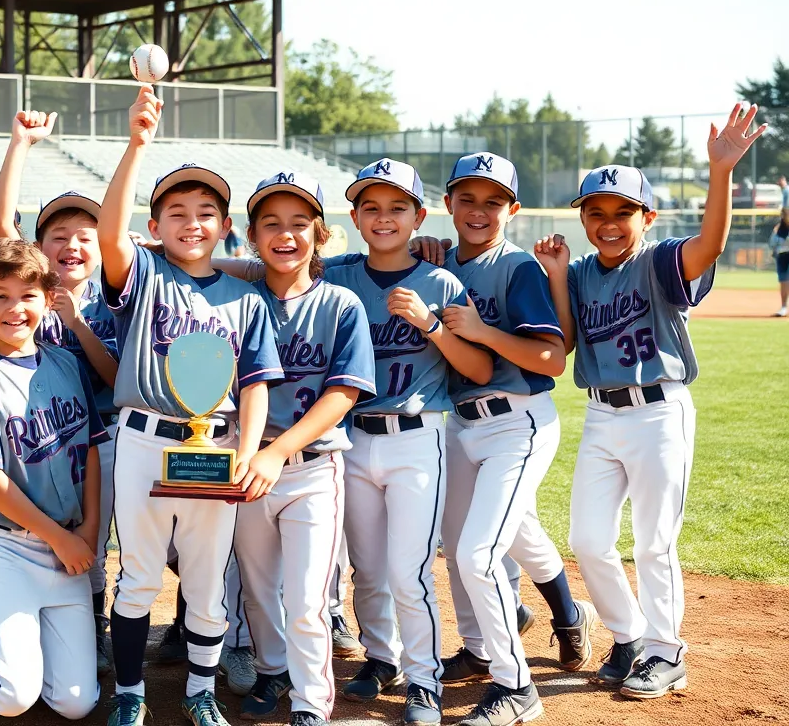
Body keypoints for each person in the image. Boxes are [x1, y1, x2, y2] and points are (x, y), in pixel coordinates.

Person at [538, 105, 765, 700]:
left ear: (647, 216)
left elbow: (710, 244)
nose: (609, 223)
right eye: (596, 213)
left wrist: (720, 173)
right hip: (601, 414)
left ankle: (667, 652)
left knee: (653, 542)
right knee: (588, 541)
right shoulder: (579, 273)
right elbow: (565, 341)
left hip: (660, 412)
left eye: (623, 212)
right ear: (582, 218)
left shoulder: (659, 260)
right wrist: (557, 276)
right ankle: (630, 636)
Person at [98, 85, 283, 726]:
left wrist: (249, 452)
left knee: (206, 580)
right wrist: (136, 144)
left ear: (226, 228)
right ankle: (130, 695)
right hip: (144, 439)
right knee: (139, 575)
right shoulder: (146, 274)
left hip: (217, 445)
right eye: (175, 212)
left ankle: (200, 692)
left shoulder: (247, 299)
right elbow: (108, 233)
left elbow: (255, 383)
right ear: (154, 228)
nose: (192, 222)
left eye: (207, 212)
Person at [411, 152, 594, 726]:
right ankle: (494, 642)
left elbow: (552, 358)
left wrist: (484, 331)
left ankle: (516, 688)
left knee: (478, 553)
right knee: (474, 540)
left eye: (493, 201)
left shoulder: (517, 268)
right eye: (467, 198)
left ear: (512, 210)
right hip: (460, 422)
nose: (479, 210)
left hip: (518, 422)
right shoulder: (438, 262)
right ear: (447, 204)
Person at [320, 160, 494, 726]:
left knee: (408, 570)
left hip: (416, 440)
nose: (383, 218)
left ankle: (424, 679)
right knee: (367, 568)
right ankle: (382, 657)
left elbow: (479, 369)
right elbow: (264, 267)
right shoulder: (336, 276)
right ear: (354, 218)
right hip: (351, 440)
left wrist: (432, 326)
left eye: (397, 208)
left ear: (419, 217)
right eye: (370, 207)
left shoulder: (440, 283)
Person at [0, 238, 109, 719]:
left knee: (76, 704)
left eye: (28, 295)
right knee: (12, 698)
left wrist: (90, 528)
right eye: (0, 296)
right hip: (7, 549)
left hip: (68, 546)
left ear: (48, 299)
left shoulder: (66, 362)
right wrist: (61, 538)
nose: (15, 308)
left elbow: (92, 447)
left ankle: (22, 646)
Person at [225, 171, 376, 726]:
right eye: (271, 223)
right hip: (246, 461)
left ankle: (311, 701)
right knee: (258, 588)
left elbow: (343, 394)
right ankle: (272, 671)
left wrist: (275, 451)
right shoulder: (237, 301)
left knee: (309, 597)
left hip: (311, 469)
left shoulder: (341, 303)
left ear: (320, 234)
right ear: (251, 235)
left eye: (299, 224)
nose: (285, 235)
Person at [0, 109, 122, 674]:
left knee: (96, 540)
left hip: (103, 437)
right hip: (37, 438)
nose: (72, 246)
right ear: (40, 246)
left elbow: (115, 378)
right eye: (58, 236)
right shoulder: (31, 288)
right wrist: (19, 144)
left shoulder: (116, 294)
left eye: (85, 237)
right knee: (40, 532)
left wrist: (77, 323)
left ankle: (93, 629)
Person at [773, 177, 789, 317]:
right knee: (783, 279)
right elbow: (772, 243)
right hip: (783, 252)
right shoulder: (780, 229)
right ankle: (784, 307)